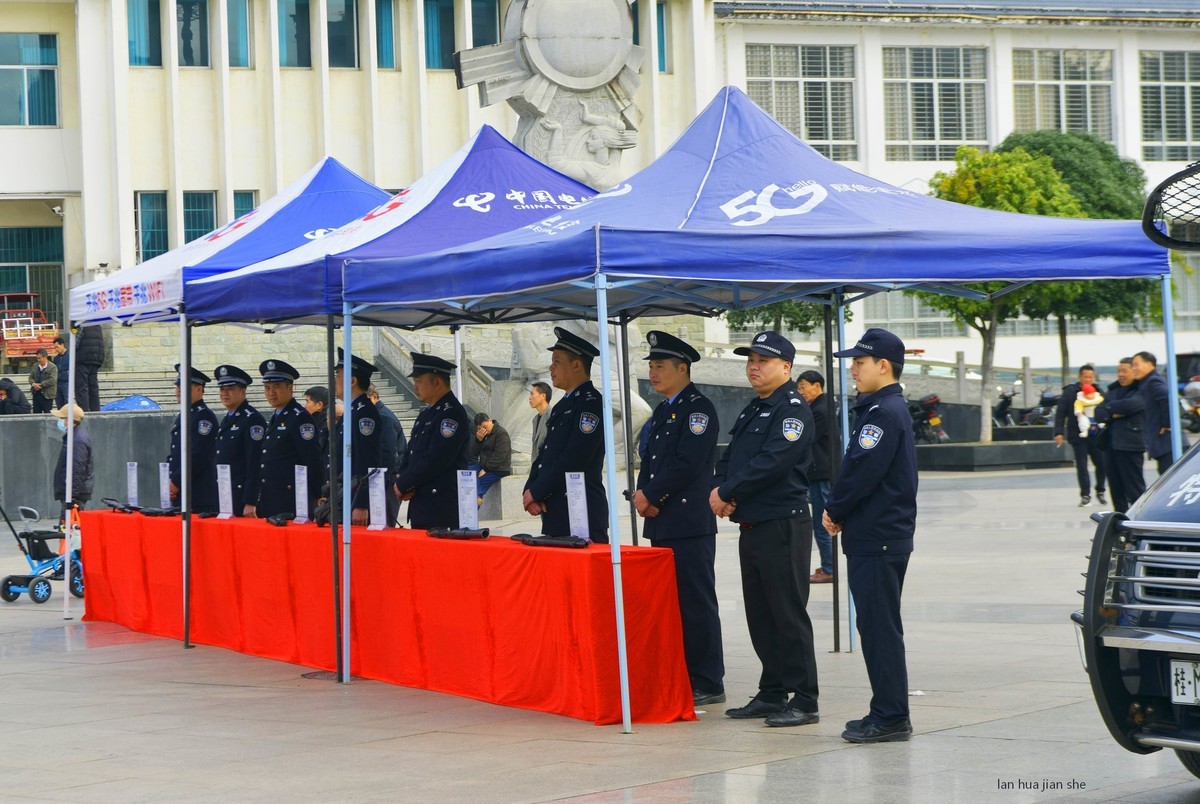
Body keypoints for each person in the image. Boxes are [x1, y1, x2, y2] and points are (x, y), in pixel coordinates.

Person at [710, 331, 819, 728]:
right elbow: (732, 458)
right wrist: (720, 488)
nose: (753, 367)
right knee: (761, 613)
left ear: (786, 367)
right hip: (753, 522)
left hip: (782, 523)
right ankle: (772, 690)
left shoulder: (792, 409)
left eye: (763, 361)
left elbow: (774, 461)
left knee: (787, 613)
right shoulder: (755, 408)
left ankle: (805, 698)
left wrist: (727, 492)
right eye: (750, 360)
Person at [823, 327, 918, 744]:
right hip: (878, 534)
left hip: (878, 535)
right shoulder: (884, 408)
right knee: (877, 626)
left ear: (883, 365)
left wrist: (834, 509)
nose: (853, 370)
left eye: (860, 363)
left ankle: (891, 716)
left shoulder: (883, 412)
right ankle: (886, 710)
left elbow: (862, 470)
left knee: (879, 629)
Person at [634, 331, 725, 707]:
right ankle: (681, 672)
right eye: (651, 366)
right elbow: (650, 459)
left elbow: (687, 463)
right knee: (670, 602)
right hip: (662, 519)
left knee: (695, 601)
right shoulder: (662, 410)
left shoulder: (698, 410)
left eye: (660, 366)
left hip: (688, 522)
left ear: (682, 369)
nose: (653, 373)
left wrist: (652, 495)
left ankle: (708, 679)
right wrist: (642, 494)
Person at [523, 327, 608, 543]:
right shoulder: (562, 405)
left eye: (557, 361)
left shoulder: (590, 404)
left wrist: (538, 490)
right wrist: (530, 488)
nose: (551, 368)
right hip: (557, 512)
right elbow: (545, 453)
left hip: (582, 513)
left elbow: (575, 457)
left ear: (576, 365)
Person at [392, 353, 470, 530]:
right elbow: (412, 453)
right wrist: (403, 479)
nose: (415, 386)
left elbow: (437, 459)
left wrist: (404, 483)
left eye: (419, 381)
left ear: (437, 382)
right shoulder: (427, 413)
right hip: (422, 503)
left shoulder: (451, 414)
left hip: (441, 507)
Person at [251, 359, 325, 519]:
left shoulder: (299, 418)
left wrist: (317, 494)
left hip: (292, 500)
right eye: (267, 388)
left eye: (277, 386)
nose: (271, 392)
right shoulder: (277, 416)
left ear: (290, 388)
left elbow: (312, 459)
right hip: (271, 497)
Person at [333, 348, 383, 526]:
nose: (335, 380)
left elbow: (367, 458)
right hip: (345, 493)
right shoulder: (352, 410)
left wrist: (362, 502)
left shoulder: (364, 413)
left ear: (352, 381)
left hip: (355, 498)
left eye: (338, 375)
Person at [212, 364, 267, 516]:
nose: (224, 393)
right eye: (222, 389)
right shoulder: (227, 419)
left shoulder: (252, 419)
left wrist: (251, 500)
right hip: (224, 493)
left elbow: (255, 462)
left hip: (240, 496)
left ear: (242, 392)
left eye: (230, 389)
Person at [796, 370, 835, 584]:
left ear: (817, 386)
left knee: (821, 523)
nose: (800, 392)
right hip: (820, 473)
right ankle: (828, 565)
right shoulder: (823, 406)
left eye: (803, 387)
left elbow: (806, 438)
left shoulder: (819, 410)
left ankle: (829, 568)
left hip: (821, 474)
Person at [1095, 358, 1147, 513]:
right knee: (1115, 488)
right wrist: (1113, 412)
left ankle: (1140, 518)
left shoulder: (1141, 389)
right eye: (1119, 371)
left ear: (1134, 371)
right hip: (1110, 446)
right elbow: (1098, 413)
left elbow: (1132, 405)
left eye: (1125, 371)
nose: (1121, 375)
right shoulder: (1113, 391)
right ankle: (1120, 519)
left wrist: (1109, 408)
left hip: (1131, 445)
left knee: (1134, 488)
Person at [1054, 365, 1107, 507]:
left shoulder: (1099, 392)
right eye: (1085, 377)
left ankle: (1100, 490)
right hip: (1078, 436)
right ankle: (1085, 494)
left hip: (1096, 435)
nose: (1088, 379)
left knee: (1102, 464)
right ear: (1079, 377)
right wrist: (1058, 432)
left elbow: (1106, 410)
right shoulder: (1070, 392)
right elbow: (1060, 413)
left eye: (1090, 377)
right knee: (1082, 466)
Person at [168, 365, 219, 513]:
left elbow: (198, 455)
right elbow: (175, 453)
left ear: (199, 389)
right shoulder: (184, 415)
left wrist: (176, 482)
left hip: (197, 495)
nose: (179, 390)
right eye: (178, 386)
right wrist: (170, 481)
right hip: (181, 491)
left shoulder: (204, 416)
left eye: (184, 386)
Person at [1132, 351, 1182, 474]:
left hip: (1168, 445)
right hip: (1165, 447)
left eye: (1136, 364)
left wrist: (1167, 424)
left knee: (1170, 480)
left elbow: (1169, 399)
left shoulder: (1153, 381)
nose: (1133, 368)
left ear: (1150, 364)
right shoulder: (1146, 382)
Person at [368, 384, 406, 525]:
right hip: (383, 478)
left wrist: (379, 482)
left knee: (383, 524)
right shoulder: (375, 415)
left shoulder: (383, 417)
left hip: (386, 480)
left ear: (374, 397)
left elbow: (388, 453)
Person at [52, 403, 94, 512]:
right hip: (73, 492)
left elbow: (77, 469)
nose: (61, 421)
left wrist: (72, 496)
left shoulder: (77, 439)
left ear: (69, 420)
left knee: (69, 521)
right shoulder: (74, 436)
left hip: (74, 495)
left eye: (62, 418)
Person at [469, 414, 513, 505]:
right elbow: (474, 453)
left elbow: (500, 455)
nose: (484, 430)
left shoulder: (501, 433)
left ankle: (475, 501)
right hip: (483, 465)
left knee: (476, 485)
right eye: (480, 428)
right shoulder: (482, 434)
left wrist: (486, 469)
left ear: (490, 421)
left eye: (485, 427)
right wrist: (478, 440)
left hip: (498, 469)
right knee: (465, 472)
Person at [75, 325, 105, 411]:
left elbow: (76, 342)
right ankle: (95, 411)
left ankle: (83, 412)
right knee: (93, 387)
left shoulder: (81, 324)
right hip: (96, 359)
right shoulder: (98, 326)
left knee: (81, 387)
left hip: (82, 358)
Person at [304, 386, 331, 457]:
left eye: (307, 402)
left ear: (319, 405)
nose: (305, 406)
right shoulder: (317, 419)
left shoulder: (328, 423)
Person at [28, 348, 57, 414]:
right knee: (36, 414)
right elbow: (30, 377)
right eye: (37, 358)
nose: (38, 360)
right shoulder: (35, 366)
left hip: (47, 395)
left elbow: (53, 380)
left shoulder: (53, 367)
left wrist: (41, 385)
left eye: (40, 358)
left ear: (45, 357)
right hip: (36, 394)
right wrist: (33, 384)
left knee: (47, 413)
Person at [529, 380, 553, 457]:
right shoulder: (535, 419)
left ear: (543, 396)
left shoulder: (552, 416)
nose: (529, 398)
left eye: (532, 394)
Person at [51, 336, 69, 409]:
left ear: (62, 345)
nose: (56, 349)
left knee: (67, 403)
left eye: (57, 347)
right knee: (59, 404)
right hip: (58, 383)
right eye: (55, 348)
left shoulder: (70, 356)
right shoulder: (56, 359)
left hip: (67, 383)